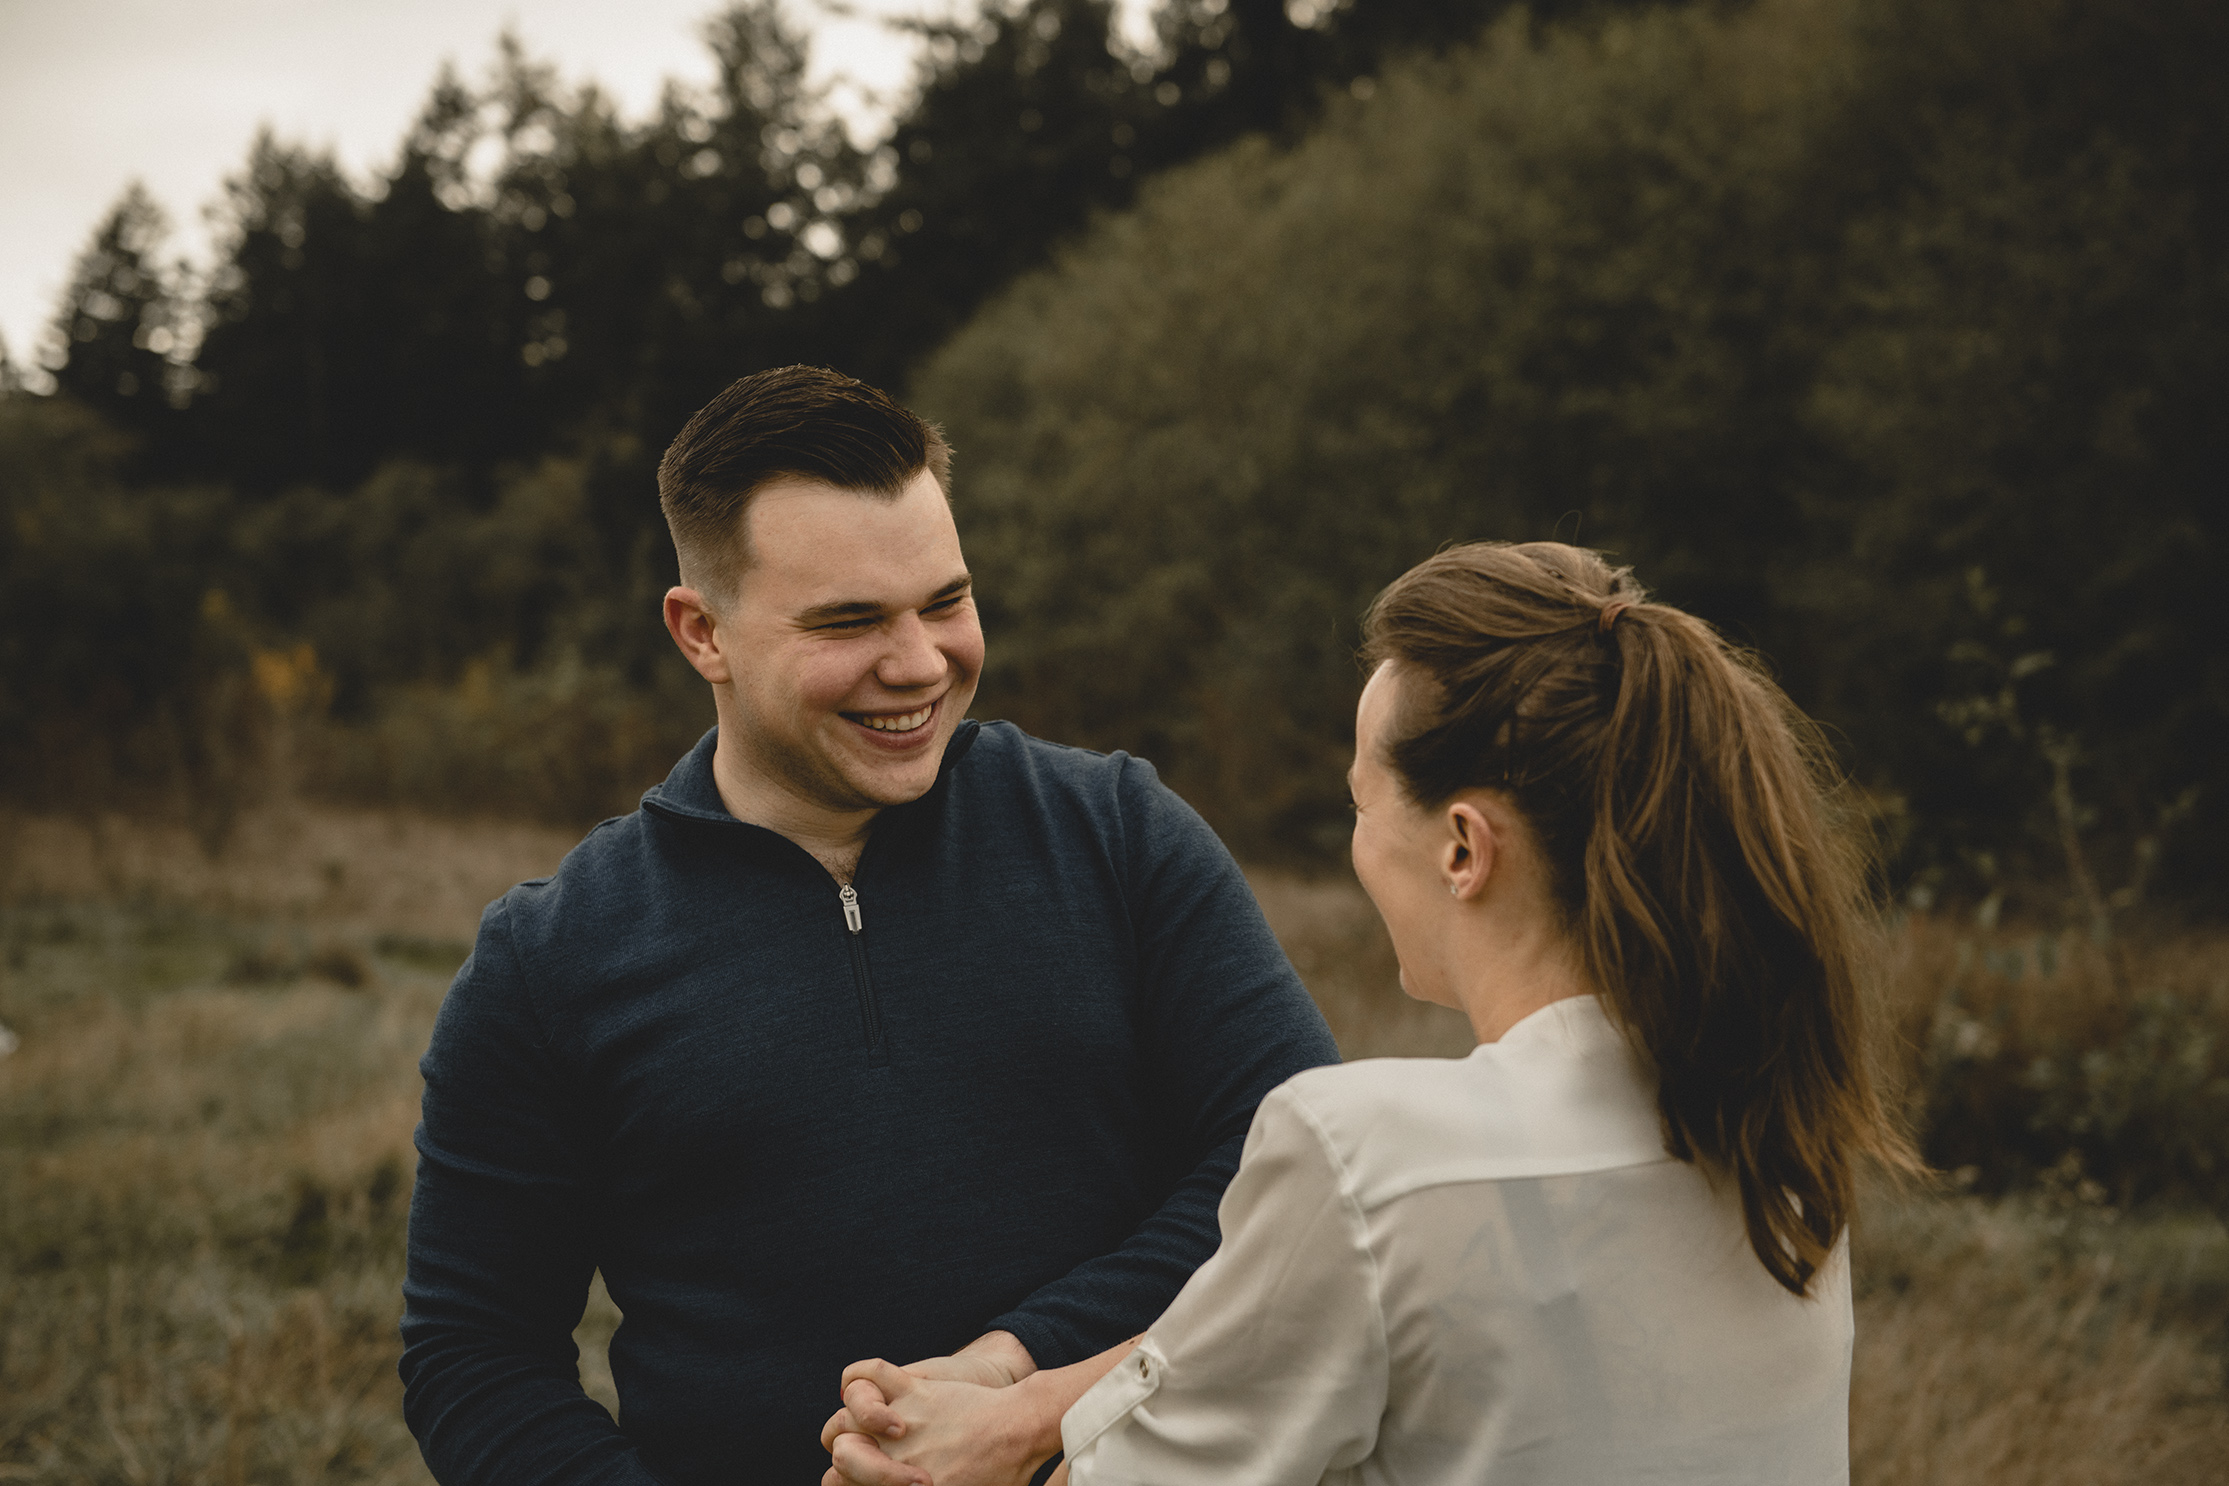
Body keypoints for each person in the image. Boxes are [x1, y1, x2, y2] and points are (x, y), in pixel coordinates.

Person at [398, 365, 1339, 1484]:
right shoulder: (550, 959)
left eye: (945, 601)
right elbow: (476, 1356)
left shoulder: (1118, 833)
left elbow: (1295, 1167)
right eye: (850, 621)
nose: (920, 663)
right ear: (703, 633)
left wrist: (1014, 1373)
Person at [824, 540, 1915, 1485]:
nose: (1357, 845)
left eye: (1360, 803)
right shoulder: (1774, 1137)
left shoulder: (1364, 1157)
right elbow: (1283, 1335)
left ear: (1462, 847)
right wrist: (1021, 1395)